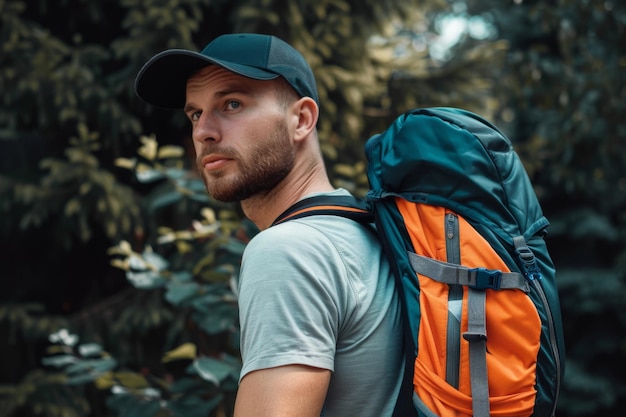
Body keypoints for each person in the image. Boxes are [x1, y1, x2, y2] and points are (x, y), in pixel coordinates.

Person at [135, 33, 409, 417]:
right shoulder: (363, 230)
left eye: (232, 103)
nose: (203, 132)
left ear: (301, 119)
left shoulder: (288, 251)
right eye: (195, 113)